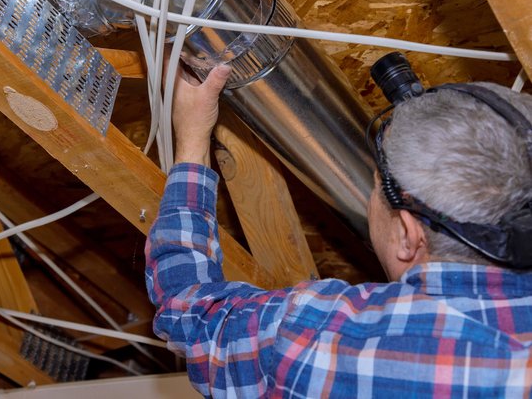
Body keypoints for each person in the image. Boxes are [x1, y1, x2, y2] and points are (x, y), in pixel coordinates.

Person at [145, 63, 532, 397]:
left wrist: (192, 138)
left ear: (410, 236)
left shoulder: (327, 345)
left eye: (376, 186)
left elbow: (189, 314)